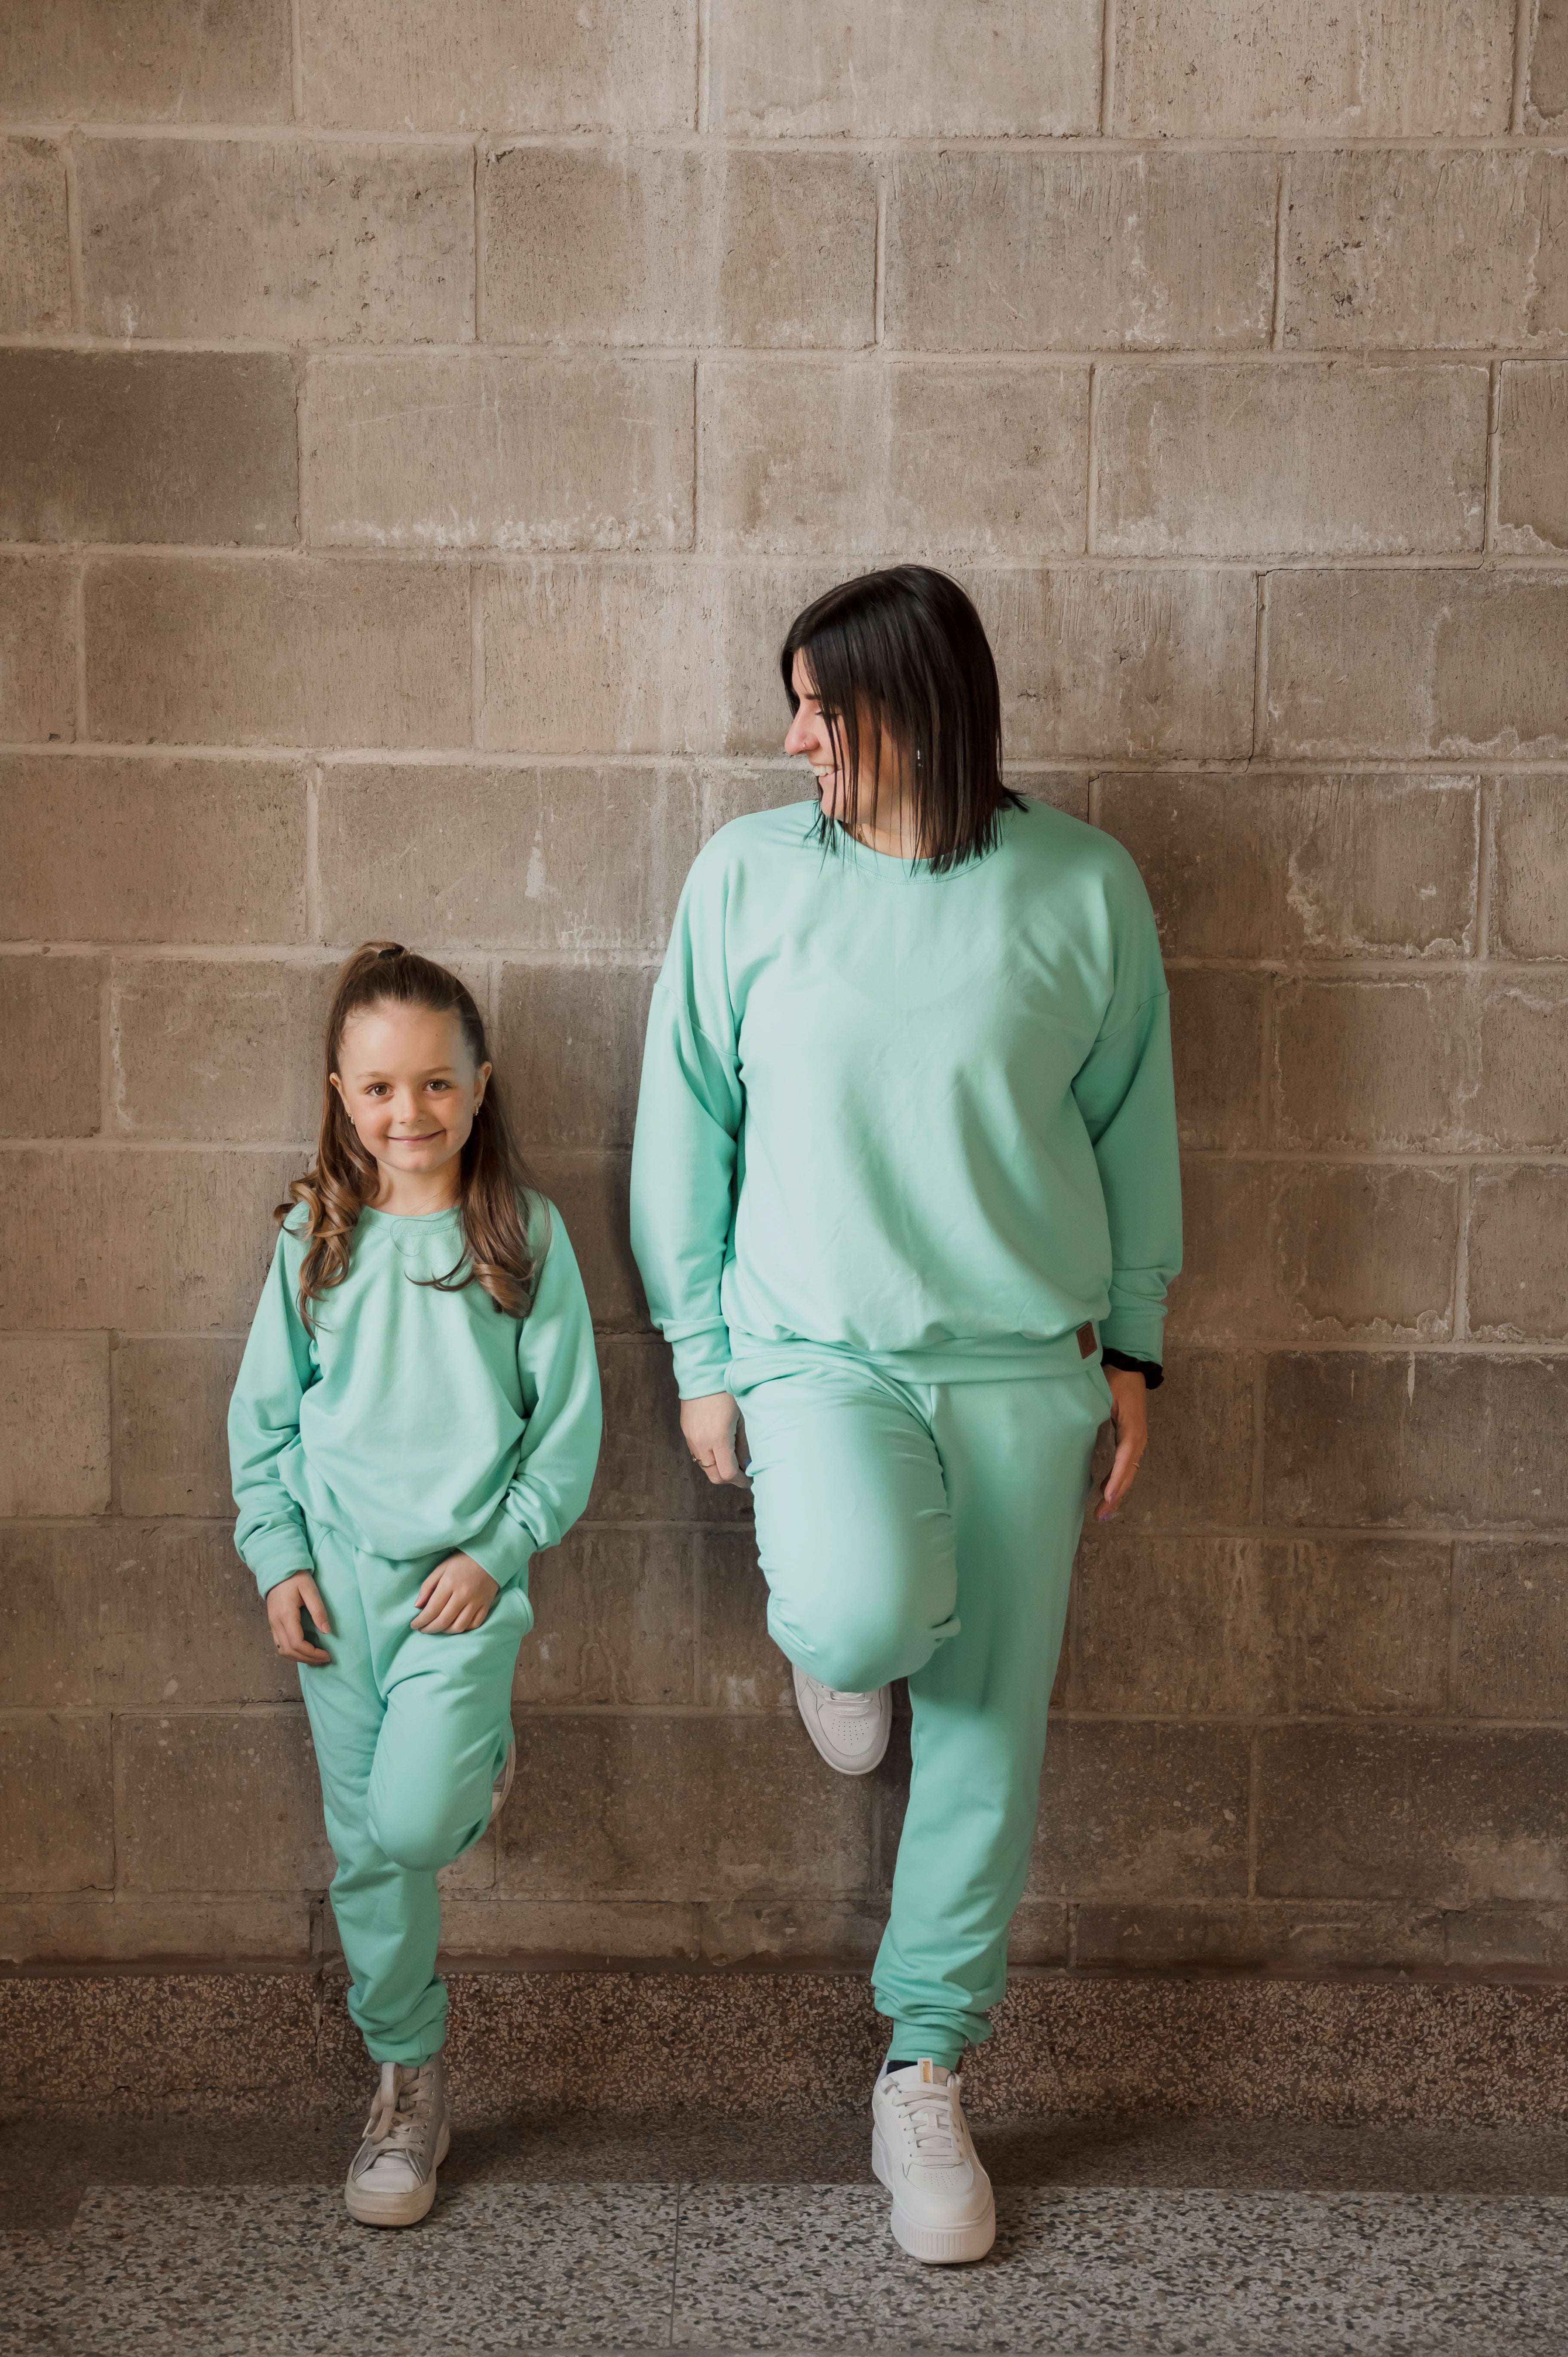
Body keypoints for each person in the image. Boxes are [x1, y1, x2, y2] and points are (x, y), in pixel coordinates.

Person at [629, 567, 1180, 2264]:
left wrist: (1136, 1349)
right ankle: (845, 1642)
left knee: (990, 1732)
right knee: (866, 1611)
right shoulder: (746, 879)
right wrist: (702, 1355)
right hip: (816, 1353)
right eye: (793, 706)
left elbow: (1134, 1125)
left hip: (1023, 1365)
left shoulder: (1083, 886)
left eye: (824, 709)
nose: (796, 739)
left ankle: (925, 2068)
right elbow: (684, 1123)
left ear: (921, 710)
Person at [228, 942, 602, 2227]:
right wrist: (279, 1558)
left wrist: (498, 1553)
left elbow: (567, 1433)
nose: (411, 1112)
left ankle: (475, 1744)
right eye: (381, 1087)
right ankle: (408, 2077)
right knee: (369, 1852)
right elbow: (264, 1425)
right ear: (342, 1094)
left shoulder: (522, 1237)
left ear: (481, 1085)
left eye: (437, 1083)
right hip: (339, 1596)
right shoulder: (313, 1240)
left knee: (421, 1824)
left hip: (463, 1592)